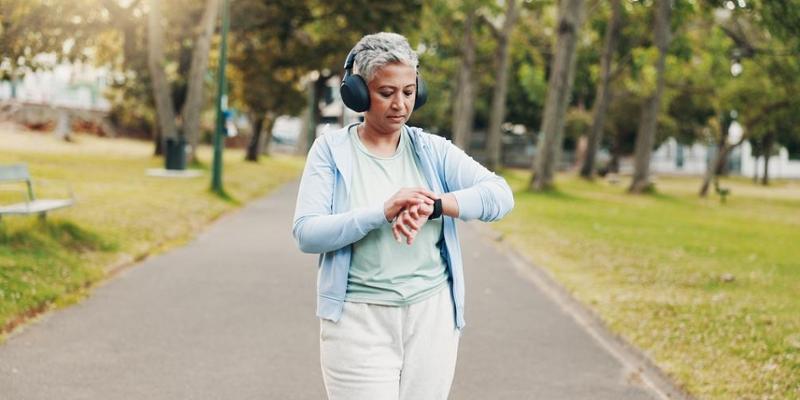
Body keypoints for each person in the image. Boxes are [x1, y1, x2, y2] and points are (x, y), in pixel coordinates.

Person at [292, 32, 514, 400]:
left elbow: (500, 196)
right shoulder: (330, 151)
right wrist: (381, 212)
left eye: (408, 92)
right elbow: (307, 233)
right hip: (358, 320)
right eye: (386, 93)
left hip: (432, 317)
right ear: (358, 94)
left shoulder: (431, 149)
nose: (400, 105)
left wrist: (435, 205)